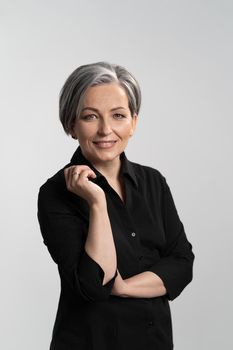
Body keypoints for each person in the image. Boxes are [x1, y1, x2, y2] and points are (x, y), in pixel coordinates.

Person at [37, 61, 195, 350]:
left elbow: (182, 264)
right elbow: (94, 285)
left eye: (118, 115)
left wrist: (123, 288)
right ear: (71, 124)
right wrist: (97, 203)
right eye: (90, 117)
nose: (105, 130)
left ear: (133, 123)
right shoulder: (55, 194)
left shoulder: (153, 182)